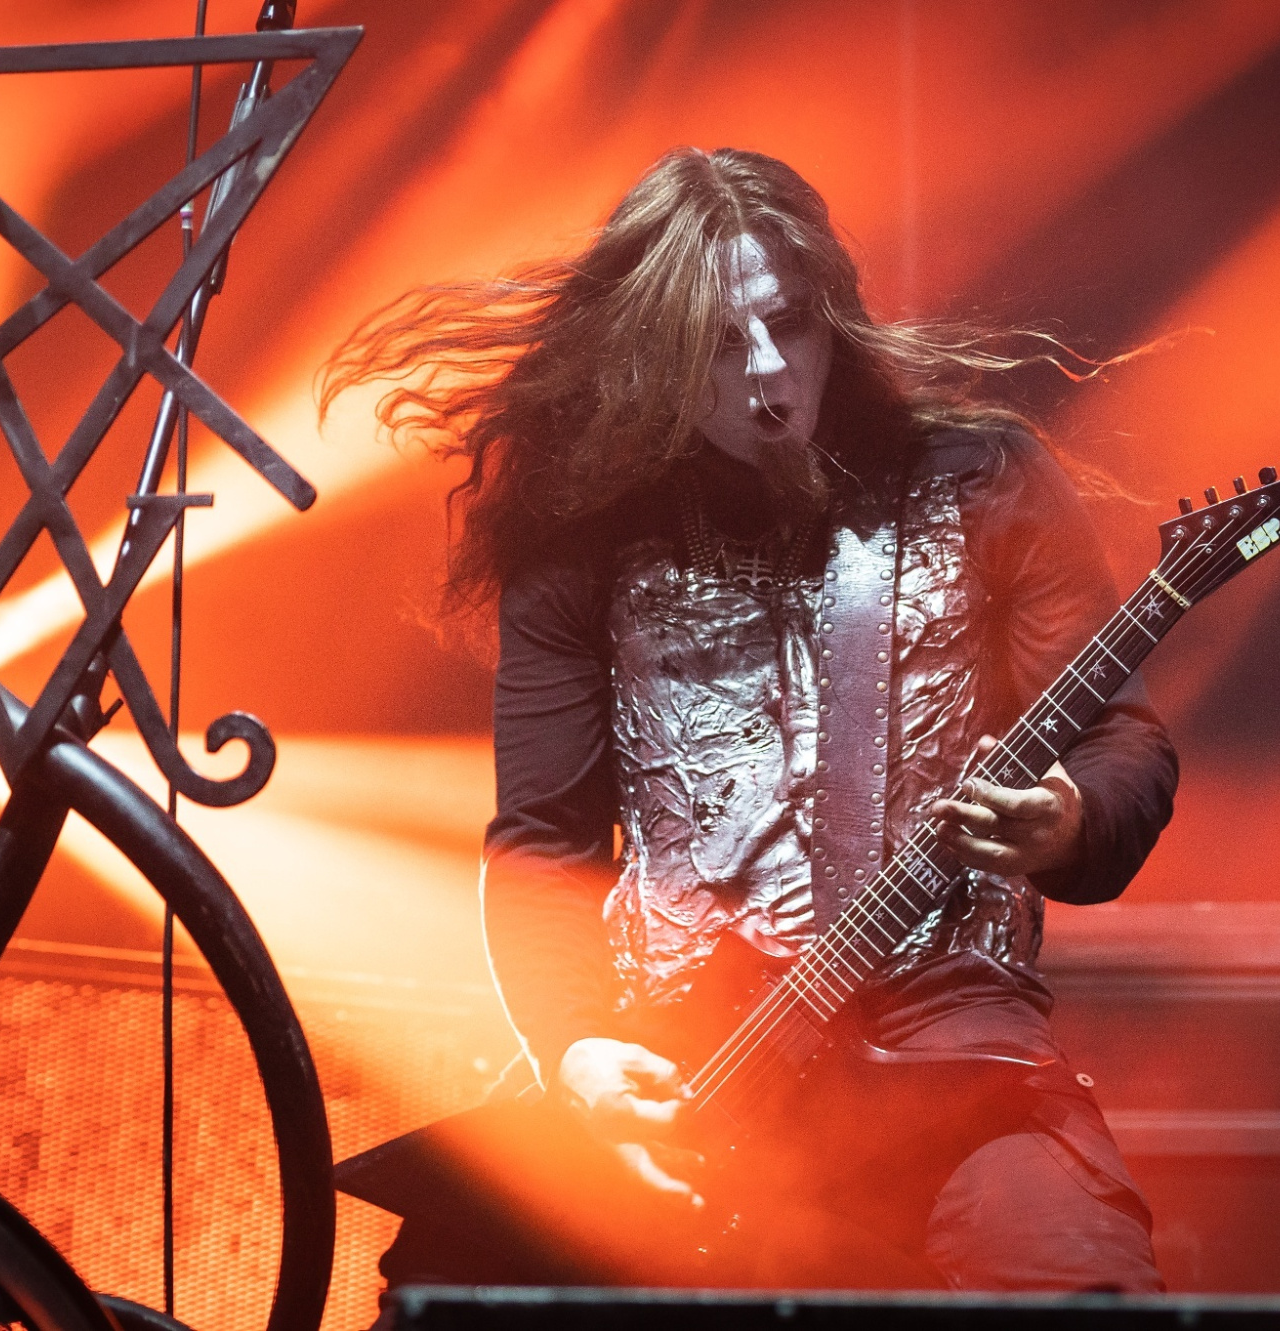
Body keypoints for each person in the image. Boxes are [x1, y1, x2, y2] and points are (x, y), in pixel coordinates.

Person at [326, 146, 1176, 1295]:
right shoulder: (581, 533)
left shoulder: (978, 476)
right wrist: (577, 1046)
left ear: (833, 313)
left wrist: (1068, 819)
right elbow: (541, 843)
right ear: (651, 356)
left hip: (947, 1042)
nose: (769, 372)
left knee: (1078, 1282)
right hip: (693, 1058)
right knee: (443, 1290)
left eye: (788, 324)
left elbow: (1119, 735)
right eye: (720, 344)